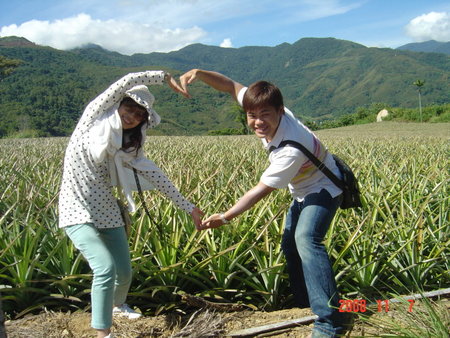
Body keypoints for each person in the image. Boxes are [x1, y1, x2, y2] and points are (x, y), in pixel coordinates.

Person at [179, 69, 345, 337]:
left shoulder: (289, 148)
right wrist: (199, 74)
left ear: (280, 111)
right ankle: (305, 303)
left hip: (325, 187)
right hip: (301, 189)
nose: (257, 122)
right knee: (290, 244)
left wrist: (226, 216)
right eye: (252, 115)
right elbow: (232, 85)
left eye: (264, 115)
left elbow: (260, 190)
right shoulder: (263, 104)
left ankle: (330, 320)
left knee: (307, 239)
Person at [58, 70, 203, 338]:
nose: (132, 116)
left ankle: (117, 306)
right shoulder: (90, 122)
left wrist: (189, 207)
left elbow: (156, 176)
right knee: (104, 267)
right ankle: (104, 333)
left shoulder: (126, 148)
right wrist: (164, 77)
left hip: (107, 211)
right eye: (130, 108)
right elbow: (126, 81)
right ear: (118, 104)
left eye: (140, 114)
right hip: (75, 210)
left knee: (123, 271)